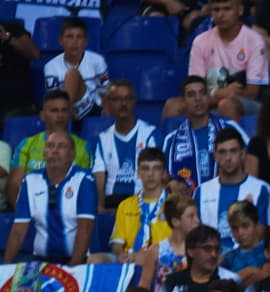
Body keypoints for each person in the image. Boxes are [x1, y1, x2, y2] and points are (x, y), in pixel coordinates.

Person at [3, 129, 95, 265]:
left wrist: (71, 270)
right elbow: (18, 231)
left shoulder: (84, 180)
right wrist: (4, 269)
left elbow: (85, 228)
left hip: (76, 261)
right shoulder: (30, 181)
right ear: (44, 153)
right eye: (50, 146)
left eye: (62, 146)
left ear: (72, 155)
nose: (55, 151)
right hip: (40, 261)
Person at [180, 0, 269, 123]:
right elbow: (194, 87)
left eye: (227, 9)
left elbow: (252, 93)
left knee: (226, 105)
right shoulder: (200, 41)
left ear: (240, 10)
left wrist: (218, 97)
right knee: (173, 105)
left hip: (247, 103)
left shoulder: (254, 41)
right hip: (210, 100)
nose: (220, 15)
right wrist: (221, 93)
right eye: (216, 10)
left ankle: (231, 142)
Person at [5, 90, 91, 209]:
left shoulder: (83, 147)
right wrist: (24, 215)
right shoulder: (26, 145)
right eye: (54, 111)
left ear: (70, 114)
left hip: (70, 212)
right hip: (32, 211)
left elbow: (85, 186)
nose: (60, 115)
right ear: (43, 115)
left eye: (64, 110)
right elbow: (15, 184)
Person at [163, 76, 249, 194]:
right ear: (183, 101)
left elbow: (250, 160)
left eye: (202, 93)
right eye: (191, 94)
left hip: (226, 200)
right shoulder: (171, 140)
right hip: (187, 207)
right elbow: (164, 178)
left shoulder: (229, 127)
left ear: (208, 97)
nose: (198, 99)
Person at [195, 130, 270, 253]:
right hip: (210, 261)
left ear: (242, 154)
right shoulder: (201, 191)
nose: (228, 158)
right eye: (222, 152)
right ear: (215, 155)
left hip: (246, 261)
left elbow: (259, 236)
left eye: (233, 151)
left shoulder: (261, 189)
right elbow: (196, 232)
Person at [92, 80, 159, 211]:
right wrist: (100, 209)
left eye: (127, 98)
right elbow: (99, 181)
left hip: (141, 202)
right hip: (112, 205)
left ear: (134, 101)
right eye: (117, 99)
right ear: (109, 103)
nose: (123, 104)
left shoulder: (150, 134)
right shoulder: (102, 138)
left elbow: (157, 175)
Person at [108, 147, 170, 261]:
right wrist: (120, 254)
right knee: (96, 259)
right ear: (138, 173)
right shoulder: (125, 205)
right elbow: (117, 241)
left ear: (164, 174)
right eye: (145, 168)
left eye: (156, 168)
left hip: (162, 258)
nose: (150, 174)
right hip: (130, 257)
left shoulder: (175, 204)